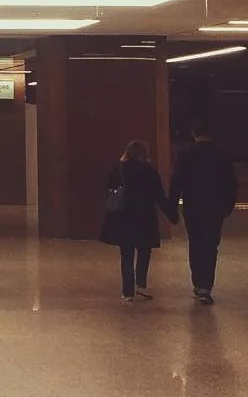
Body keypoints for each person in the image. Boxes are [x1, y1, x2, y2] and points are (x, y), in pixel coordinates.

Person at [99, 140, 178, 302]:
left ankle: (127, 291)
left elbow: (109, 188)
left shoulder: (119, 169)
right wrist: (172, 215)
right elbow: (159, 196)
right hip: (144, 216)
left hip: (124, 215)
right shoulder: (149, 171)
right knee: (144, 251)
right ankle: (140, 285)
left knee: (126, 254)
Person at [170, 122, 238, 305]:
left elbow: (177, 182)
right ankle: (206, 286)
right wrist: (227, 207)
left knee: (196, 243)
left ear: (194, 134)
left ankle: (198, 282)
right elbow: (231, 184)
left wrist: (172, 208)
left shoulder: (186, 156)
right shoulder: (221, 156)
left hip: (192, 207)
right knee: (210, 246)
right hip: (215, 209)